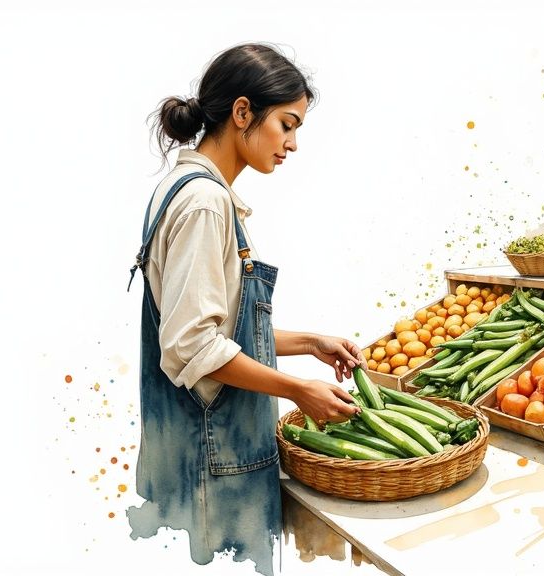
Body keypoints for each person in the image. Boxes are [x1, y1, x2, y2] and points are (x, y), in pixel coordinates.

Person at [125, 43, 363, 575]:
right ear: (241, 113)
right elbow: (194, 347)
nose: (293, 144)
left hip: (190, 455)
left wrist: (310, 344)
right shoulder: (206, 203)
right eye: (287, 124)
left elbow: (212, 327)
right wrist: (299, 389)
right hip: (215, 463)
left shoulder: (183, 190)